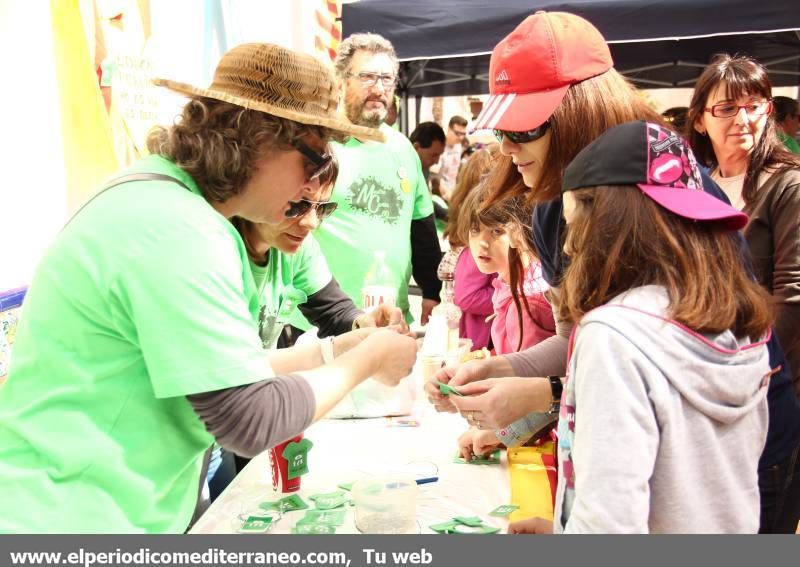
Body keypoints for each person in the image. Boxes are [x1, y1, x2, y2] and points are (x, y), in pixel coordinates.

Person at [0, 43, 417, 533]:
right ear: (259, 137)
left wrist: (338, 349)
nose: (313, 186)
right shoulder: (181, 229)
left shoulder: (162, 199)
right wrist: (366, 360)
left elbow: (215, 370)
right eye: (315, 155)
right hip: (69, 517)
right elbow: (249, 419)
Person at [423, 11, 800, 534]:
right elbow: (576, 341)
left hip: (730, 455)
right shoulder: (549, 206)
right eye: (502, 128)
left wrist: (546, 395)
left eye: (523, 126)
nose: (507, 147)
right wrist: (506, 370)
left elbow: (677, 348)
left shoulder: (665, 184)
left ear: (582, 107)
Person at [511, 120, 772, 533]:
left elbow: (608, 528)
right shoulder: (739, 326)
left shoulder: (615, 337)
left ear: (611, 226)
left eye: (574, 224)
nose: (565, 245)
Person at [686, 54, 800, 533]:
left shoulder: (786, 184)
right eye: (727, 109)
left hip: (766, 384)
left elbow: (792, 295)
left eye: (755, 106)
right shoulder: (694, 186)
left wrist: (744, 366)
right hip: (703, 384)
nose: (743, 119)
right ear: (700, 120)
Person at [291, 32, 441, 331]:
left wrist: (431, 291)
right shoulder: (319, 144)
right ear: (342, 80)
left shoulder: (402, 149)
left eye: (387, 79)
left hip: (390, 320)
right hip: (320, 323)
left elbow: (420, 224)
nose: (379, 88)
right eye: (368, 77)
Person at [439, 145, 500, 350]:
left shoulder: (469, 233)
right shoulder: (479, 246)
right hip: (477, 341)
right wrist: (509, 299)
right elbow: (467, 296)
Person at [434, 115, 469, 198]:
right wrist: (447, 194)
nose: (461, 137)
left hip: (454, 193)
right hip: (442, 196)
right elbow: (434, 177)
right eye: (457, 133)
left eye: (463, 134)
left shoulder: (459, 145)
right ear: (449, 129)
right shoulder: (440, 148)